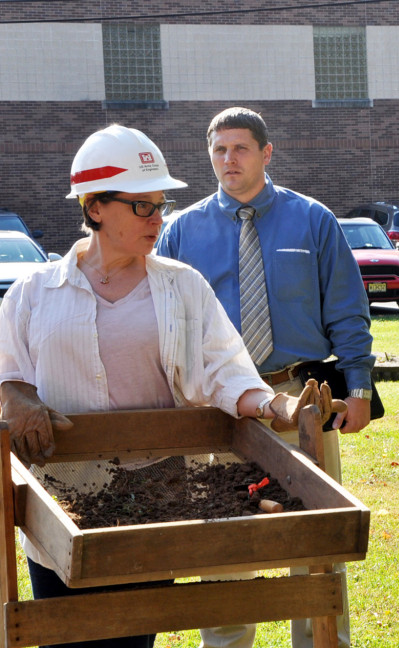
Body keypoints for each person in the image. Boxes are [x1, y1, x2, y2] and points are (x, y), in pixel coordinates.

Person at [0, 124, 339, 648]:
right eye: (142, 206)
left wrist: (279, 405)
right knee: (65, 635)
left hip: (154, 499)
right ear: (95, 208)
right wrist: (17, 397)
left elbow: (225, 374)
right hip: (59, 504)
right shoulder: (33, 294)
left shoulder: (183, 287)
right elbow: (8, 375)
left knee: (133, 637)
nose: (158, 219)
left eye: (160, 205)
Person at [156, 107, 374, 648]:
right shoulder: (182, 231)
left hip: (300, 395)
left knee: (316, 531)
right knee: (227, 534)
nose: (228, 159)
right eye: (219, 149)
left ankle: (323, 640)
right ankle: (226, 643)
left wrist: (360, 390)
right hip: (218, 404)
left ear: (266, 152)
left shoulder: (313, 220)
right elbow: (154, 315)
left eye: (241, 148)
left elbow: (348, 310)